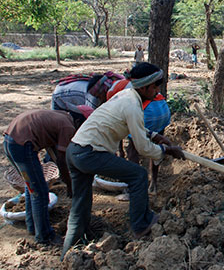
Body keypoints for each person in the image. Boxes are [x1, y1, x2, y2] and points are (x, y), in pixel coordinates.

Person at [61, 62, 185, 260]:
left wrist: (154, 135)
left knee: (80, 203)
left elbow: (130, 126)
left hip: (74, 150)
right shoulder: (133, 105)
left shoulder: (125, 96)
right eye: (154, 87)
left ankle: (69, 253)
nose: (156, 91)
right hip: (90, 153)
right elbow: (143, 148)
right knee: (138, 175)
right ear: (143, 87)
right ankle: (140, 225)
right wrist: (166, 150)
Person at [3, 108, 90, 246]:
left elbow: (53, 151)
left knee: (31, 186)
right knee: (40, 192)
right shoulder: (68, 126)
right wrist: (69, 185)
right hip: (22, 146)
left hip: (10, 141)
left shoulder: (62, 116)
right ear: (79, 121)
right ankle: (45, 236)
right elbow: (61, 160)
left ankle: (32, 226)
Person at [106, 77, 172, 195]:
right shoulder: (143, 84)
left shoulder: (112, 92)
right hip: (163, 109)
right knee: (156, 142)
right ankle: (153, 184)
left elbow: (117, 121)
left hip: (147, 111)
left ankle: (135, 186)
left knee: (132, 149)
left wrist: (120, 151)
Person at [51, 72, 124, 113]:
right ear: (101, 94)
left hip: (74, 93)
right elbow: (92, 117)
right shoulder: (92, 96)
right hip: (60, 96)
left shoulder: (107, 87)